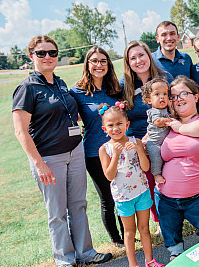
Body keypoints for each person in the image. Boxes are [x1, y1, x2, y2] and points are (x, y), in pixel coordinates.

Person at [12, 36, 111, 266]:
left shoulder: (60, 82)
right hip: (48, 158)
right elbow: (21, 132)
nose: (48, 57)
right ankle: (64, 258)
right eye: (41, 53)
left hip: (75, 152)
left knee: (78, 204)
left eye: (52, 53)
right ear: (31, 57)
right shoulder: (27, 88)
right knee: (57, 212)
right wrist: (39, 164)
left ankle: (85, 253)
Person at [154, 76, 199, 261]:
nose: (178, 99)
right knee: (175, 252)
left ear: (196, 97)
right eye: (173, 96)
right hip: (166, 199)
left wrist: (177, 126)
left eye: (184, 93)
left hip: (198, 197)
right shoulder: (167, 125)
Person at [70, 46, 124, 248]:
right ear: (88, 64)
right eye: (94, 61)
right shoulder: (76, 91)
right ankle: (116, 239)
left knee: (122, 193)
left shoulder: (114, 89)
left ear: (108, 64)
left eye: (103, 61)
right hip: (93, 152)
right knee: (108, 197)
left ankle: (128, 233)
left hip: (118, 150)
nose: (99, 65)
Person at [98, 103, 164, 267]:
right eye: (111, 125)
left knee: (144, 229)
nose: (116, 128)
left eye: (119, 124)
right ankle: (133, 264)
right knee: (129, 231)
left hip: (142, 192)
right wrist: (116, 155)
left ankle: (150, 261)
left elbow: (146, 168)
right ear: (104, 129)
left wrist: (139, 150)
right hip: (123, 197)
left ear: (127, 124)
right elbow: (109, 175)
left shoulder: (136, 142)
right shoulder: (105, 149)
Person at [120, 40, 171, 235]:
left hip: (166, 135)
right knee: (150, 182)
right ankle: (159, 221)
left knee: (170, 177)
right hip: (140, 143)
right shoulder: (124, 85)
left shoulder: (164, 78)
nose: (138, 60)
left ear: (149, 56)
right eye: (133, 58)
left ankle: (176, 215)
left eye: (141, 55)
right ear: (128, 62)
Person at [141, 77, 172, 184]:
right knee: (156, 158)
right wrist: (169, 121)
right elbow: (158, 122)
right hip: (154, 143)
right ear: (149, 100)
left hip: (162, 142)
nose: (162, 97)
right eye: (157, 94)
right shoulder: (154, 111)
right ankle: (156, 174)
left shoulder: (165, 110)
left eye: (165, 94)